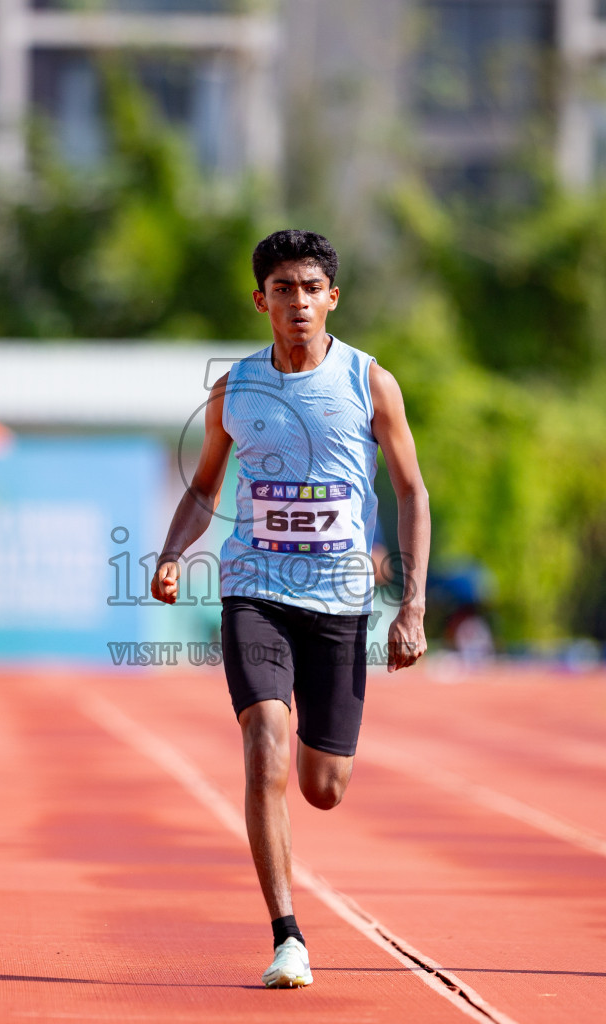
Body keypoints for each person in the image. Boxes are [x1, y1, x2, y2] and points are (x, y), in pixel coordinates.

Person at [151, 230, 430, 989]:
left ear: (332, 297)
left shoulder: (370, 383)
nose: (298, 302)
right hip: (255, 592)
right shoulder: (235, 388)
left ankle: (318, 768)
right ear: (261, 300)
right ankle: (288, 935)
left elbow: (411, 491)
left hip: (341, 602)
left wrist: (412, 606)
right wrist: (174, 554)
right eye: (283, 288)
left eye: (311, 288)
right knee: (265, 744)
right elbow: (206, 487)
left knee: (323, 787)